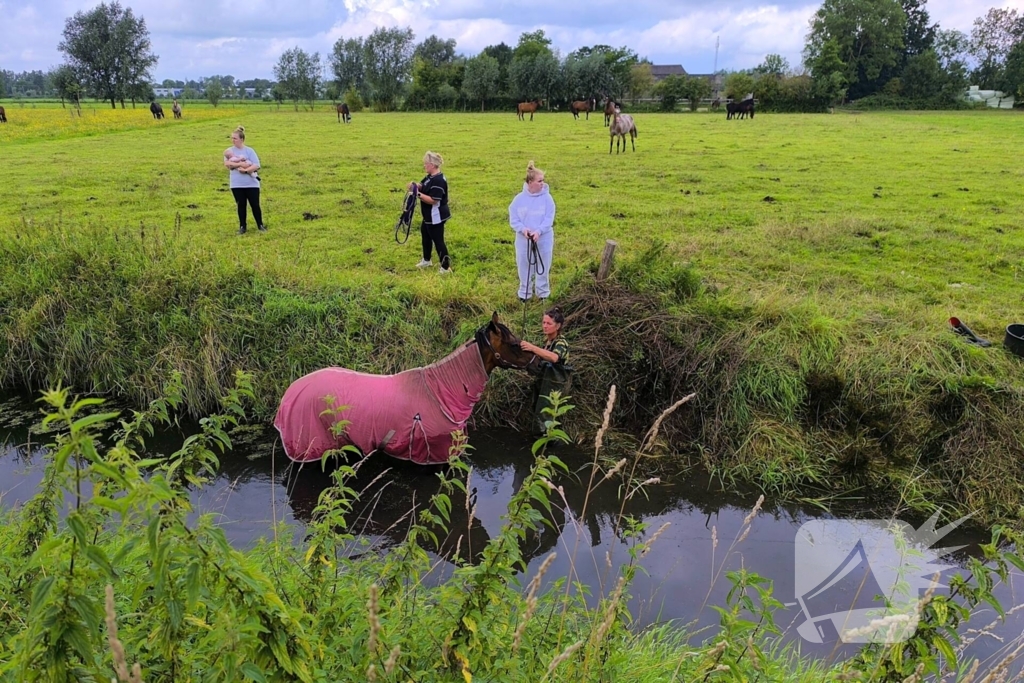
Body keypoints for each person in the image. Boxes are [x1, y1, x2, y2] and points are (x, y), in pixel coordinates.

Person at [509, 161, 556, 301]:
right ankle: (525, 293)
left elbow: (549, 218)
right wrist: (523, 230)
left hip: (544, 238)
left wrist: (539, 232)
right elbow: (514, 219)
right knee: (524, 265)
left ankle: (543, 293)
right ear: (530, 182)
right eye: (539, 181)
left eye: (543, 180)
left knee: (544, 264)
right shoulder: (518, 200)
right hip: (524, 240)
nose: (543, 183)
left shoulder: (548, 199)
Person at [520, 307, 571, 435]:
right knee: (538, 410)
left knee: (548, 414)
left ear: (558, 326)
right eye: (543, 322)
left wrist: (532, 348)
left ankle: (549, 441)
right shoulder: (547, 342)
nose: (545, 326)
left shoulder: (561, 342)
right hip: (543, 384)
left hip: (555, 386)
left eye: (549, 323)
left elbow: (554, 357)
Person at [409, 151, 452, 273]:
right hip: (428, 216)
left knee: (438, 240)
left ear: (432, 165)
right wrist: (415, 186)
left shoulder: (439, 181)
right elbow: (422, 185)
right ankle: (427, 260)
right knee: (425, 235)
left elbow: (433, 200)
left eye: (426, 163)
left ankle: (445, 267)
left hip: (436, 215)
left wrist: (417, 194)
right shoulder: (430, 177)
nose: (424, 166)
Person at [224, 125, 265, 235]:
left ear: (241, 139)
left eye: (235, 138)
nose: (233, 140)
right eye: (232, 138)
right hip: (237, 184)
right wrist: (241, 164)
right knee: (241, 205)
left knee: (255, 205)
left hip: (251, 184)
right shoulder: (229, 151)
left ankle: (260, 225)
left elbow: (256, 165)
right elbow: (227, 164)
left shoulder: (249, 151)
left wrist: (246, 171)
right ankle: (242, 227)